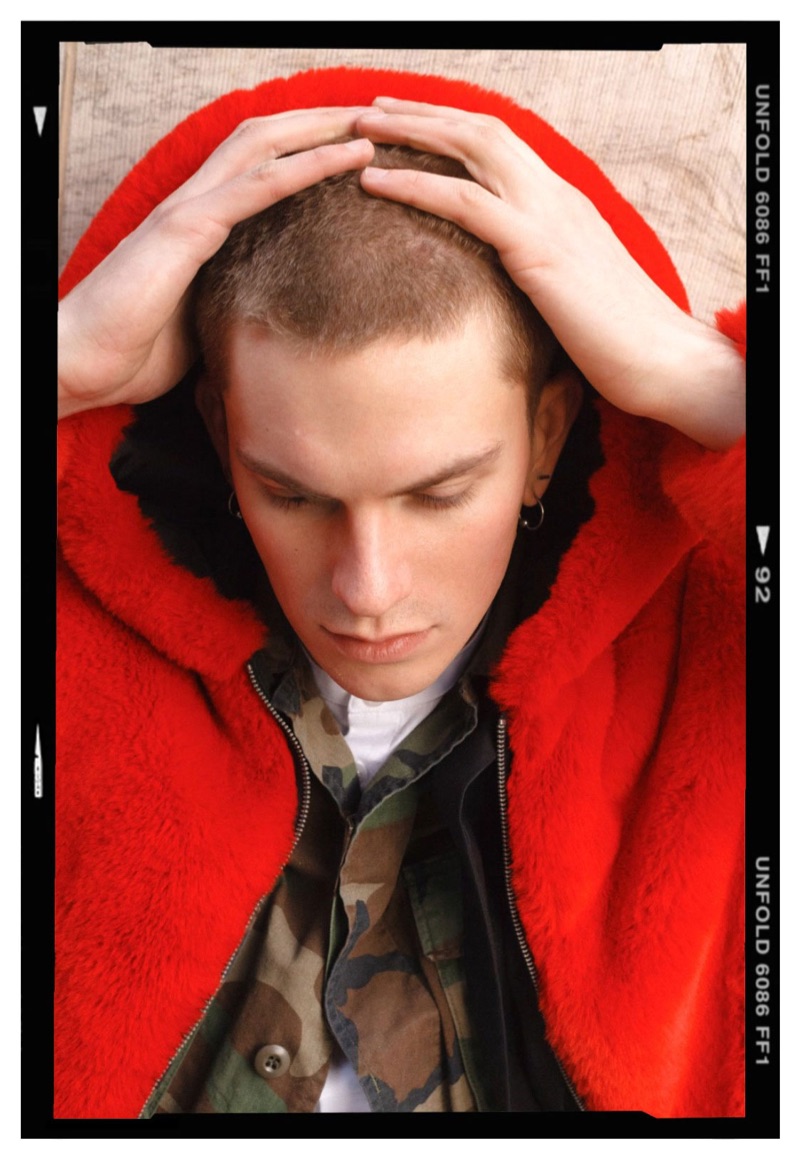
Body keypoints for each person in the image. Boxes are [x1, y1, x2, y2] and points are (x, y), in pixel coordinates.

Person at [55, 68, 746, 1119]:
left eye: (439, 495)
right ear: (216, 434)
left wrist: (706, 382)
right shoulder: (57, 638)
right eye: (291, 495)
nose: (365, 590)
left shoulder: (715, 636)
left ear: (546, 438)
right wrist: (52, 368)